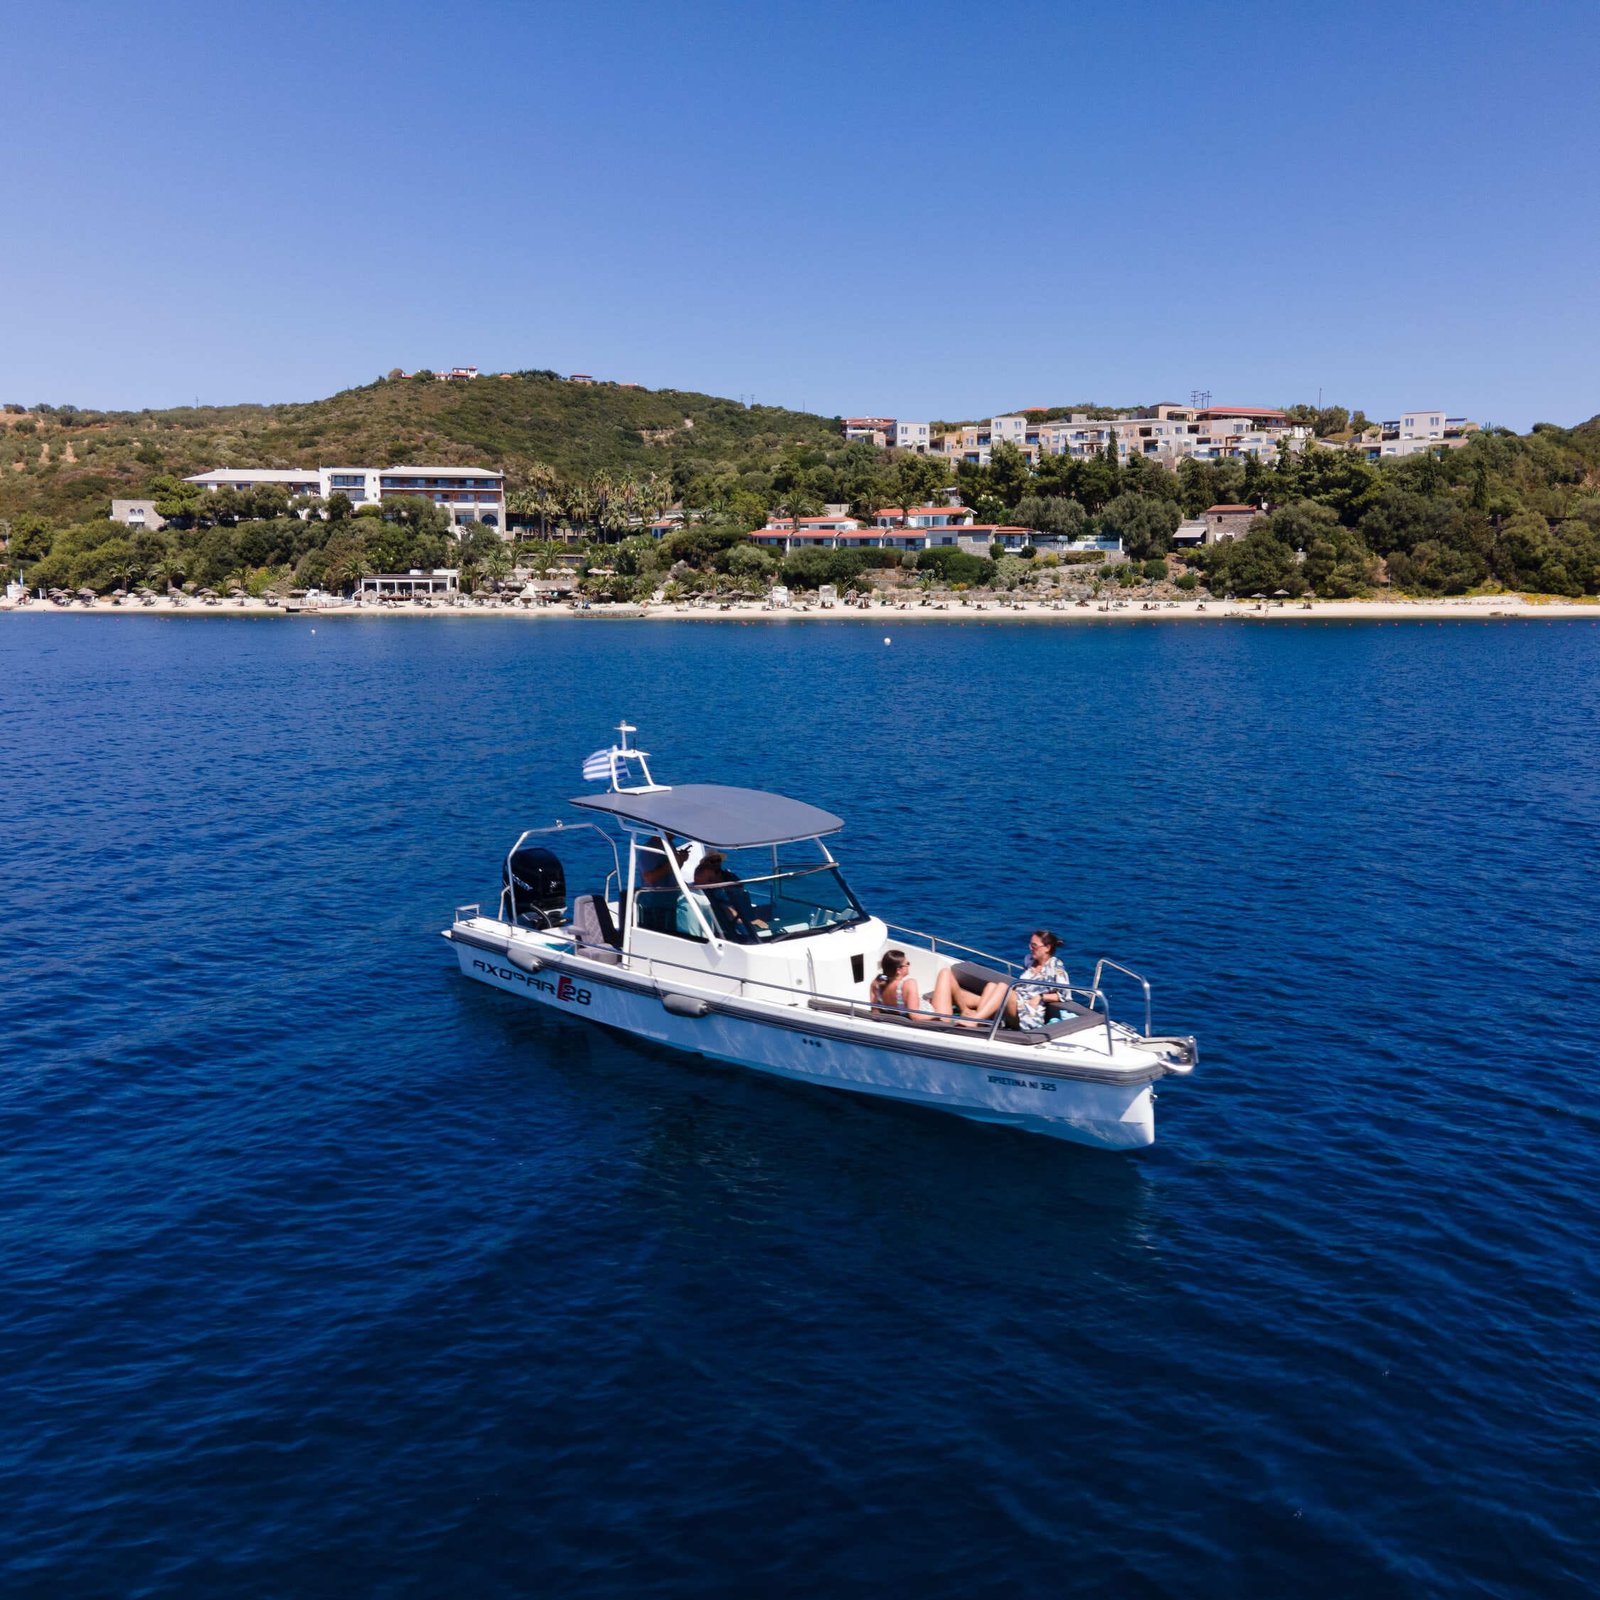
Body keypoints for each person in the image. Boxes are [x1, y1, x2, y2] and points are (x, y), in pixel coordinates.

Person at [869, 950, 988, 1026]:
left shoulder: (876, 984)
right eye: (907, 964)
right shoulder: (908, 984)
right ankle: (970, 1010)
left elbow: (875, 1012)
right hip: (939, 1015)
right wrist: (940, 1016)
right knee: (945, 973)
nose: (909, 966)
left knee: (953, 991)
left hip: (924, 1007)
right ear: (899, 970)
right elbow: (915, 1016)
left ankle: (982, 1004)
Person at [693, 850, 767, 940]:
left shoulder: (720, 872)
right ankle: (748, 931)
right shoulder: (703, 871)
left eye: (718, 860)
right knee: (730, 909)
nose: (716, 863)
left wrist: (728, 878)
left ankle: (749, 921)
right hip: (715, 899)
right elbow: (702, 884)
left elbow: (738, 883)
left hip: (726, 896)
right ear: (707, 862)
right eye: (713, 861)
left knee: (743, 895)